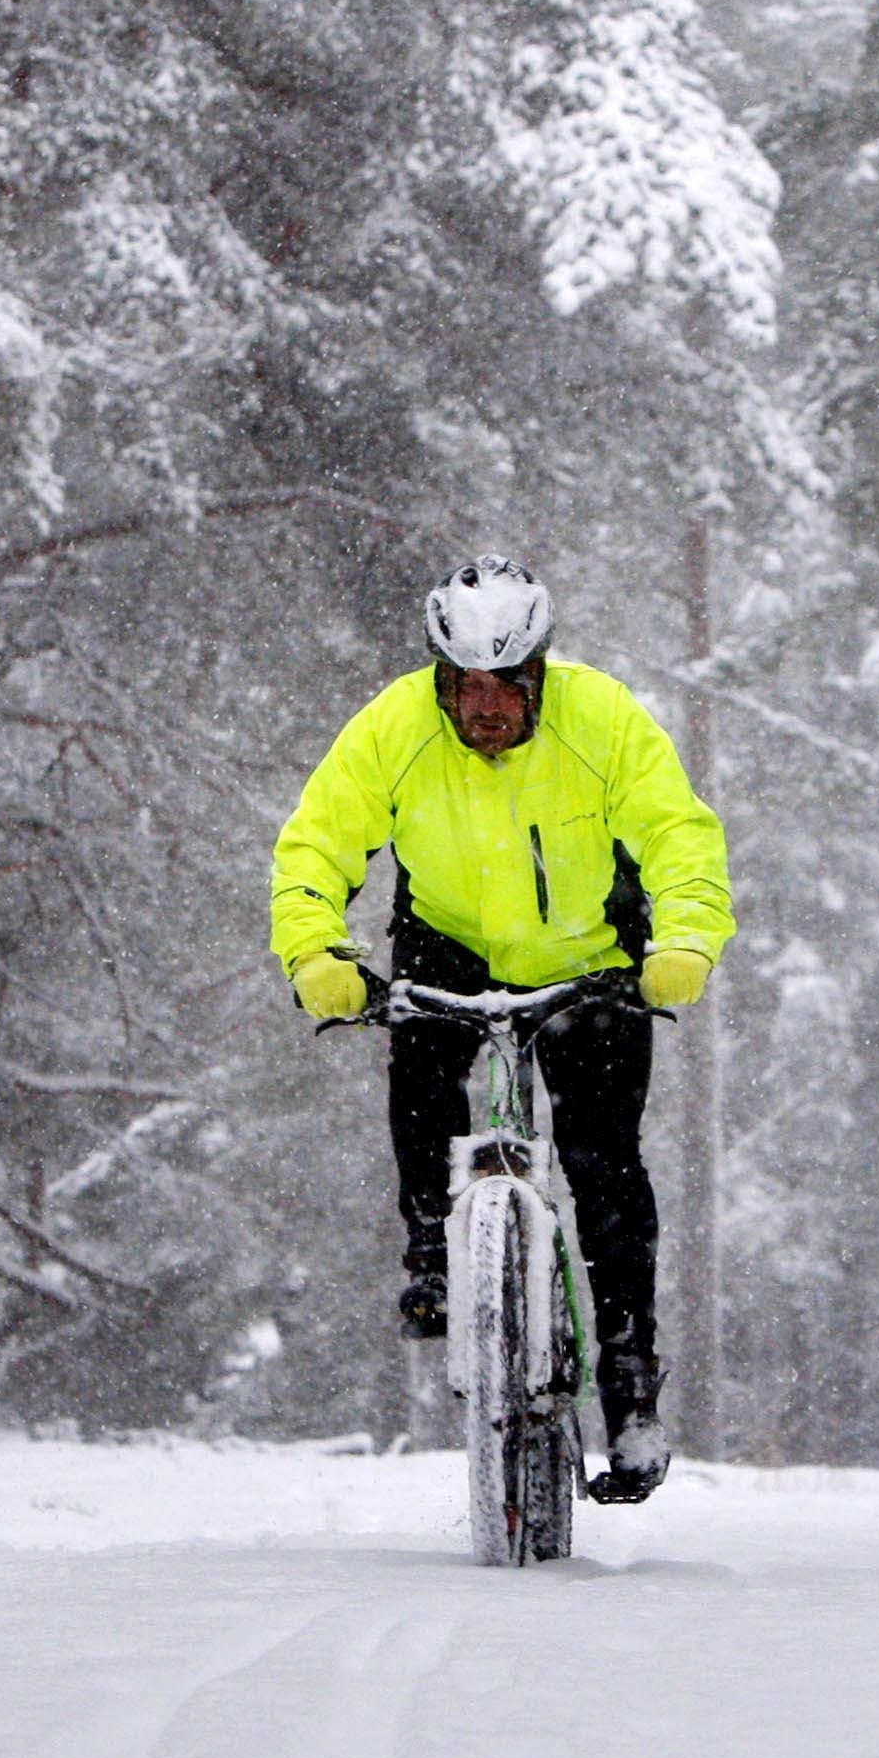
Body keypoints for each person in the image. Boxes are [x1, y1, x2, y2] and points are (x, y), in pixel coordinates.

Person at [271, 555, 733, 1499]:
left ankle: (630, 1385)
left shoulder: (602, 720)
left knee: (602, 1162)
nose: (482, 708)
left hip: (588, 955)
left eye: (505, 688)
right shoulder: (394, 727)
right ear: (439, 676)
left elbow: (678, 835)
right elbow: (314, 840)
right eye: (463, 686)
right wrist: (316, 954)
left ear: (540, 677)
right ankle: (433, 1251)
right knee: (420, 1066)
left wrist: (683, 942)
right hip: (449, 942)